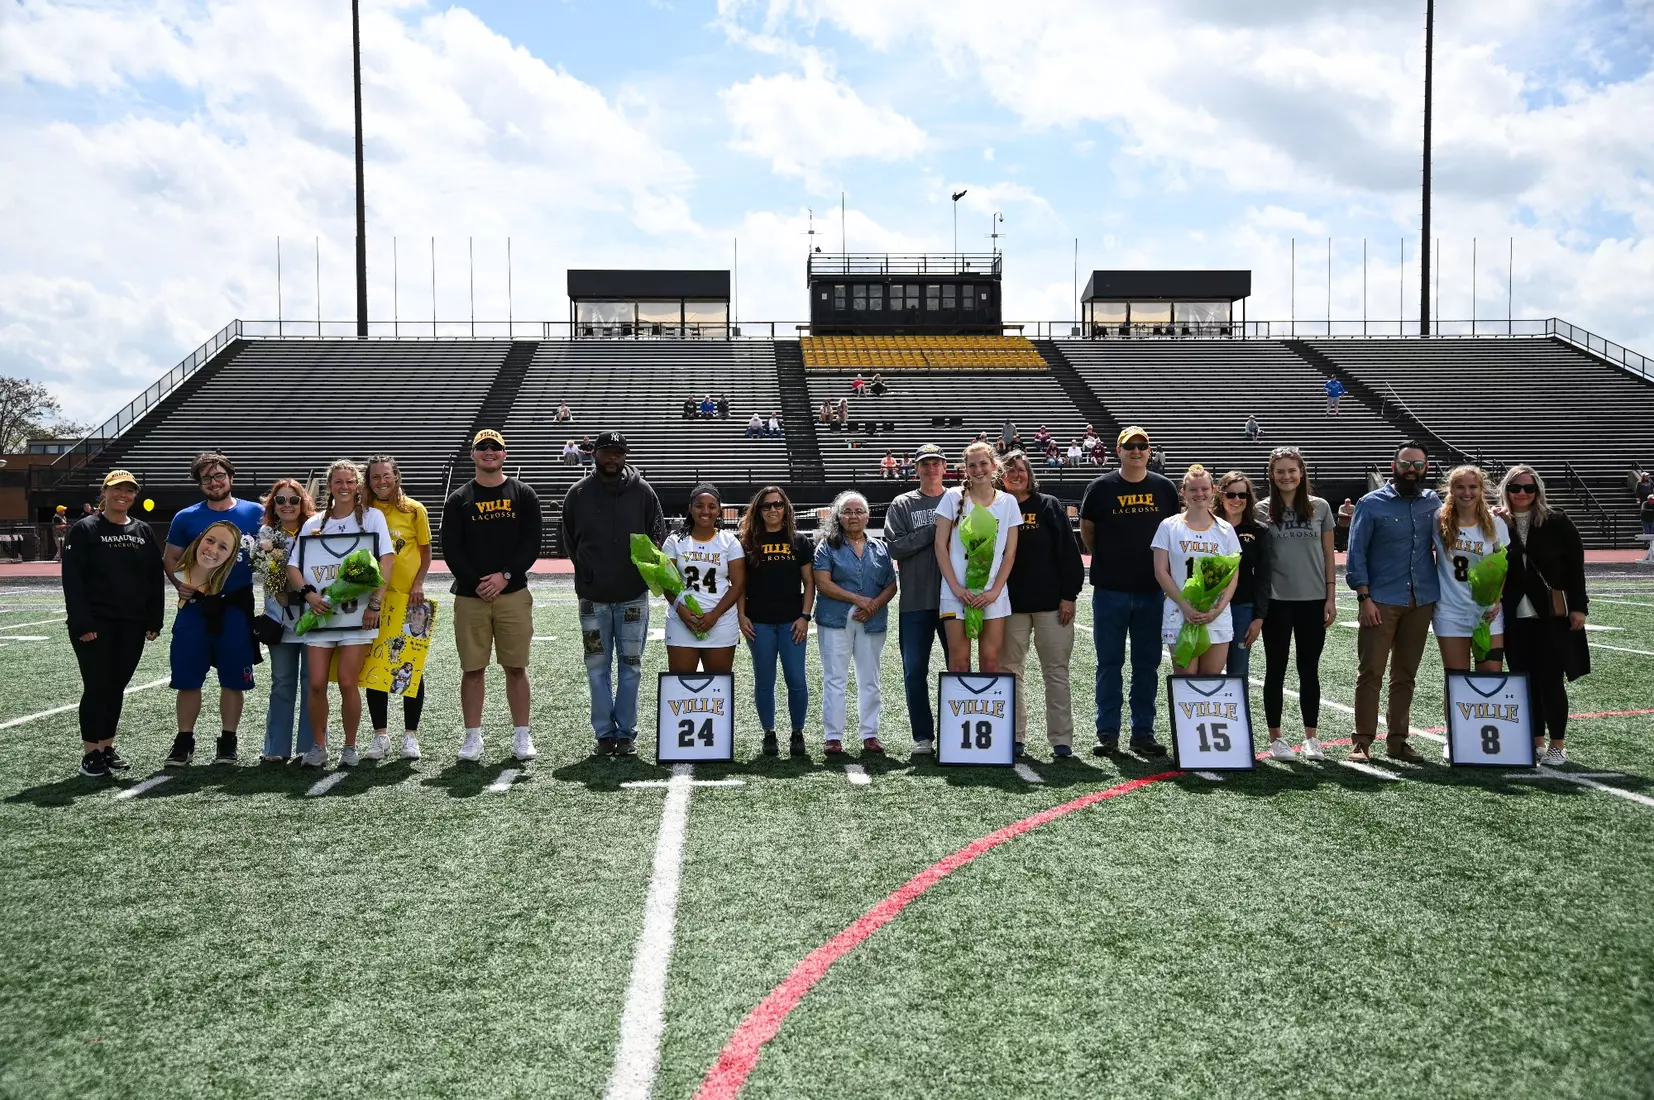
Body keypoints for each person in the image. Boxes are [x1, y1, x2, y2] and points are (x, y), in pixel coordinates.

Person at [443, 429, 543, 764]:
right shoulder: (458, 499)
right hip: (471, 597)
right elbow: (452, 550)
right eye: (482, 447)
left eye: (495, 447)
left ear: (505, 454)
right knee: (473, 669)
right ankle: (473, 737)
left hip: (513, 592)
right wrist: (478, 582)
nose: (489, 452)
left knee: (516, 667)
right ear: (472, 454)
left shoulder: (523, 493)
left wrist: (504, 576)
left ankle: (522, 735)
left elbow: (532, 542)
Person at [563, 430, 665, 756]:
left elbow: (657, 536)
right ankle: (604, 735)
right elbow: (569, 540)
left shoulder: (643, 493)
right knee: (596, 665)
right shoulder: (578, 494)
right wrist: (588, 571)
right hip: (592, 601)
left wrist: (642, 572)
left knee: (631, 666)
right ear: (594, 453)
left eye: (618, 452)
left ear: (625, 455)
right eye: (606, 451)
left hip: (633, 598)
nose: (612, 458)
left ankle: (626, 733)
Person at [290, 459, 397, 769]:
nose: (345, 487)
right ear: (329, 486)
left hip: (358, 616)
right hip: (321, 616)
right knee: (316, 683)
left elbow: (386, 562)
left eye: (350, 481)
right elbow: (293, 566)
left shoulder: (372, 518)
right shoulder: (314, 524)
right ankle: (319, 745)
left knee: (349, 682)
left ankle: (349, 746)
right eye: (338, 482)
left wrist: (375, 604)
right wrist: (309, 595)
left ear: (358, 485)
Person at [1081, 426, 1180, 757]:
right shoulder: (1100, 488)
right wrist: (1111, 561)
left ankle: (1142, 732)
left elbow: (1172, 533)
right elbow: (1088, 531)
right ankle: (1107, 732)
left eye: (1142, 446)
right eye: (1130, 446)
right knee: (1109, 663)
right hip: (1110, 590)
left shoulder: (1164, 488)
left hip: (1152, 591)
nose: (1136, 451)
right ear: (1118, 451)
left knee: (1146, 664)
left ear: (1149, 451)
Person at [163, 451, 265, 767]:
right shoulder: (186, 517)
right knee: (188, 677)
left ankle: (228, 741)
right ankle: (184, 740)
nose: (214, 482)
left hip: (235, 607)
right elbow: (170, 558)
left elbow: (273, 553)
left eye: (219, 476)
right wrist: (180, 583)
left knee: (234, 678)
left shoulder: (256, 513)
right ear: (200, 483)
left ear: (230, 477)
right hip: (194, 607)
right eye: (206, 478)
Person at [62, 471, 164, 778]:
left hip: (131, 624)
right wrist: (83, 622)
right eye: (117, 489)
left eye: (129, 490)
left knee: (116, 687)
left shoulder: (142, 530)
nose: (124, 494)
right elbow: (73, 580)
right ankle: (91, 753)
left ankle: (107, 746)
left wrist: (154, 618)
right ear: (105, 492)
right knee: (97, 686)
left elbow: (153, 578)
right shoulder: (85, 528)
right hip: (95, 624)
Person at [1346, 442, 1440, 764]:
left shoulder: (1433, 502)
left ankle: (1398, 741)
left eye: (1418, 465)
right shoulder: (1370, 504)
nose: (1411, 471)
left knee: (1405, 675)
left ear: (1426, 468)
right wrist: (1364, 597)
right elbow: (1356, 552)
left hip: (1422, 598)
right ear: (1393, 465)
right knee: (1370, 672)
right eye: (1406, 464)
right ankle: (1362, 741)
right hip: (1381, 600)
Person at [1500, 466, 1588, 765]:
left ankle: (1557, 744)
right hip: (1512, 613)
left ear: (1538, 490)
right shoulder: (1498, 522)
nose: (1522, 493)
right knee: (1522, 679)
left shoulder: (1557, 521)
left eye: (1528, 488)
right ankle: (1534, 741)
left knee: (1550, 678)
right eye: (1515, 487)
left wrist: (1579, 607)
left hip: (1552, 612)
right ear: (1506, 489)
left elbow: (1576, 566)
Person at [998, 451, 1083, 758]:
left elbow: (1067, 552)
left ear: (1029, 474)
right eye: (1010, 470)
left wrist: (1069, 596)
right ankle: (1015, 736)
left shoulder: (1048, 505)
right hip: (1010, 606)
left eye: (1021, 470)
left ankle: (1061, 740)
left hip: (1051, 605)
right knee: (1010, 672)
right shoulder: (996, 507)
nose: (1016, 475)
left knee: (1056, 672)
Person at [1256, 448, 1336, 761]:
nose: (1286, 476)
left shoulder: (1320, 507)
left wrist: (1330, 596)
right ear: (1271, 475)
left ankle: (1311, 738)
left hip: (1313, 601)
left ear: (1302, 472)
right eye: (1280, 471)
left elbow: (1329, 555)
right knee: (1275, 669)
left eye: (1292, 470)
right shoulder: (1261, 510)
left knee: (1308, 670)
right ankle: (1276, 738)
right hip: (1276, 602)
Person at [813, 491, 897, 755]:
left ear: (867, 515)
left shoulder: (880, 547)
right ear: (838, 516)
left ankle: (870, 734)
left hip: (871, 620)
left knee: (870, 678)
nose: (853, 516)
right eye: (847, 511)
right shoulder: (827, 545)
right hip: (835, 619)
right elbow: (823, 583)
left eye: (859, 511)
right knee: (835, 678)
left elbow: (891, 585)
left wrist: (873, 605)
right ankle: (833, 736)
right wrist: (859, 600)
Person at [364, 454, 432, 761]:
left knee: (410, 669)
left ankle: (410, 737)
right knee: (376, 668)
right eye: (375, 477)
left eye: (386, 475)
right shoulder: (363, 511)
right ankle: (381, 737)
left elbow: (426, 552)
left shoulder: (415, 510)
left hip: (408, 600)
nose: (381, 481)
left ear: (396, 476)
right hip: (374, 602)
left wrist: (418, 583)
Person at [737, 486, 814, 758]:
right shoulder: (747, 542)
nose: (773, 510)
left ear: (786, 508)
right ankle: (768, 733)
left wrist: (805, 617)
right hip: (758, 622)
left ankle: (797, 732)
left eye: (778, 505)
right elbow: (741, 585)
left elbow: (809, 583)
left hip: (792, 622)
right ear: (758, 510)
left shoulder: (799, 541)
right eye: (767, 506)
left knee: (796, 678)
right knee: (764, 680)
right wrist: (742, 615)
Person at [884, 444, 951, 750]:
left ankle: (955, 734)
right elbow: (895, 547)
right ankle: (923, 736)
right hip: (914, 602)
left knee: (958, 668)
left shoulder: (958, 499)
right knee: (914, 671)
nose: (930, 468)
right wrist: (933, 530)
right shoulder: (902, 504)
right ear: (916, 468)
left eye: (935, 462)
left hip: (953, 599)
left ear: (944, 466)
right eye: (925, 464)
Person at [935, 441, 1022, 673]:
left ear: (994, 465)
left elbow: (1010, 553)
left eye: (983, 463)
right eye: (971, 465)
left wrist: (994, 591)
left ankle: (984, 710)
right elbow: (940, 547)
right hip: (956, 594)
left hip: (992, 594)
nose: (978, 469)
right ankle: (960, 710)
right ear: (966, 469)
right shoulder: (952, 498)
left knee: (991, 662)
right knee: (959, 662)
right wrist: (956, 588)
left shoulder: (1008, 502)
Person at [1153, 465, 1241, 676]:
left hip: (1215, 614)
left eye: (1204, 489)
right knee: (1186, 680)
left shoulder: (1225, 529)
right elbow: (1160, 571)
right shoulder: (1168, 526)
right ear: (1183, 492)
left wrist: (1217, 610)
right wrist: (1185, 606)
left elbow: (1233, 575)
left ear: (1213, 491)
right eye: (1193, 489)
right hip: (1180, 613)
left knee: (1212, 679)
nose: (1199, 494)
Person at [257, 478, 316, 763]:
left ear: (303, 502)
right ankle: (275, 747)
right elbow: (260, 576)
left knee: (312, 683)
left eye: (293, 500)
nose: (287, 505)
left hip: (314, 621)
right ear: (273, 504)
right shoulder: (266, 535)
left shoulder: (316, 531)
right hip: (279, 622)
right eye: (280, 500)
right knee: (281, 682)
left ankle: (310, 746)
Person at [1433, 465, 1509, 677]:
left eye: (1473, 487)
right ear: (1451, 490)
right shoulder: (1438, 519)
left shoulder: (1496, 523)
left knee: (1491, 678)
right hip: (1451, 611)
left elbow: (1502, 566)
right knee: (1458, 683)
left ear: (1481, 489)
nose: (1467, 493)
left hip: (1488, 613)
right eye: (1460, 487)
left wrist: (1495, 600)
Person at [663, 484, 745, 675]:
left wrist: (714, 615)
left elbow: (738, 584)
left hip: (721, 621)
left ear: (719, 511)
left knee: (718, 686)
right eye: (699, 505)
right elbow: (666, 583)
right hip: (681, 621)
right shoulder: (674, 541)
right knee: (680, 685)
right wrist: (682, 612)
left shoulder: (729, 541)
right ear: (690, 508)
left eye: (712, 506)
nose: (705, 511)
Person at [1216, 471, 1270, 685]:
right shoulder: (1207, 527)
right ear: (1221, 496)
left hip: (1242, 608)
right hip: (1209, 608)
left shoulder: (1259, 531)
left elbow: (1264, 576)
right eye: (1231, 495)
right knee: (1208, 671)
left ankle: (1239, 719)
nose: (1237, 500)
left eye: (1242, 495)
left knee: (1238, 673)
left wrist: (1259, 617)